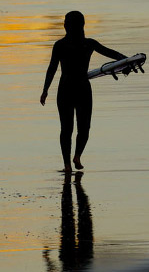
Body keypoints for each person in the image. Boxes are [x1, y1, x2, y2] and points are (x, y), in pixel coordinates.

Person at [41, 11, 126, 173]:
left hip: (66, 88)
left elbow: (52, 68)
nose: (64, 24)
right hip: (82, 88)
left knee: (68, 129)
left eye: (66, 22)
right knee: (82, 128)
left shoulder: (63, 45)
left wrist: (45, 90)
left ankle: (70, 162)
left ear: (69, 25)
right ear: (83, 25)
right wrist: (127, 60)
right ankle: (75, 158)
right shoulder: (87, 44)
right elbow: (113, 55)